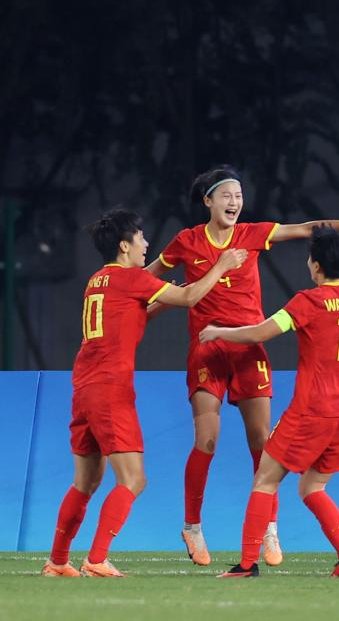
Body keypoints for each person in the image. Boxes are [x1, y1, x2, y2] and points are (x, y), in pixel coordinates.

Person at [146, 165, 339, 566]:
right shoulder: (186, 241)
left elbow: (307, 229)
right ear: (208, 201)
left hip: (248, 349)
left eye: (239, 196)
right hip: (208, 349)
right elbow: (148, 279)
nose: (234, 202)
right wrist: (124, 295)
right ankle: (192, 526)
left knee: (263, 443)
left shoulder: (253, 234)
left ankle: (270, 531)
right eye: (226, 195)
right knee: (207, 440)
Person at [42, 209, 246, 578]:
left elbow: (129, 317)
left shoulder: (97, 280)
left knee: (85, 482)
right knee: (134, 479)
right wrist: (222, 265)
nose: (146, 244)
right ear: (124, 246)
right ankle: (96, 559)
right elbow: (191, 297)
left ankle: (57, 562)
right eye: (140, 238)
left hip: (84, 386)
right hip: (110, 389)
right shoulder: (132, 278)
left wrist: (162, 302)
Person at [199, 226, 339, 578]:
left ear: (317, 266)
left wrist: (219, 332)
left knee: (265, 479)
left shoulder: (307, 302)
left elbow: (260, 332)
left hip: (311, 412)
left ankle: (247, 564)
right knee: (312, 487)